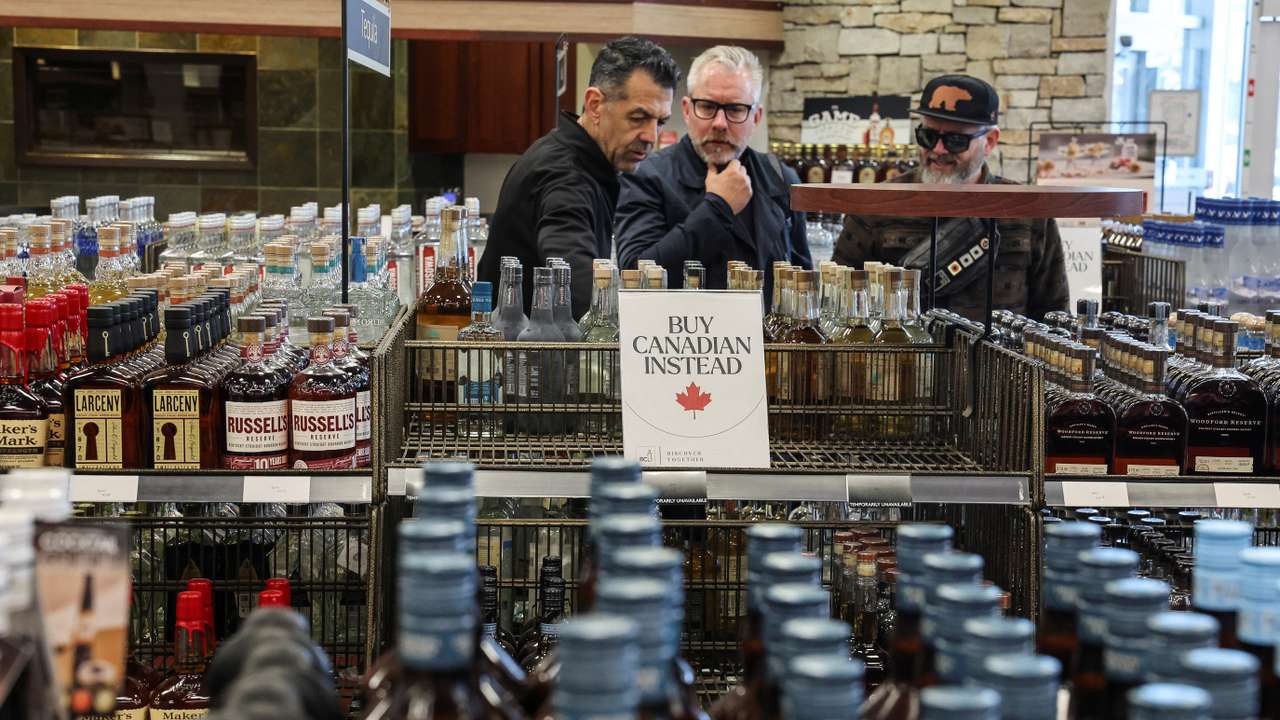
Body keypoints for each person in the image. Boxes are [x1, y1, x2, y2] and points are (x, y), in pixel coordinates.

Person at [831, 74, 1070, 321]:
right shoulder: (875, 206)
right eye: (928, 137)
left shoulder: (1028, 212)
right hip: (900, 357)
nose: (938, 150)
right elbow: (838, 304)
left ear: (989, 141)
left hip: (1000, 358)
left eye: (956, 141)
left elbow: (1053, 316)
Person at [476, 36, 679, 318]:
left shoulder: (579, 159)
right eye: (638, 117)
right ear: (595, 105)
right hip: (524, 357)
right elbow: (580, 287)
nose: (651, 136)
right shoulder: (565, 176)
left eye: (660, 121)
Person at [614, 45, 811, 301]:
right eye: (707, 107)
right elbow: (635, 275)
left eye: (735, 110)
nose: (719, 123)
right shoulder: (647, 176)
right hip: (680, 337)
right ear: (686, 109)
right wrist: (717, 208)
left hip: (768, 338)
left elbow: (804, 282)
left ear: (756, 116)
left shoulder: (781, 179)